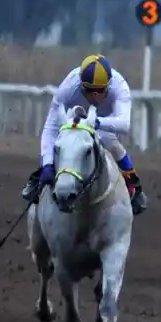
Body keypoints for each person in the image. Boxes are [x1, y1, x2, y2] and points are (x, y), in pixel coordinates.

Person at [21, 54, 149, 214]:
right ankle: (41, 177)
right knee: (66, 140)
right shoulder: (69, 85)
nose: (94, 97)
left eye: (99, 91)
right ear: (81, 86)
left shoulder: (119, 86)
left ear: (109, 87)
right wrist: (47, 163)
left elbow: (124, 125)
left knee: (107, 138)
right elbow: (50, 128)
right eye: (89, 91)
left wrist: (96, 123)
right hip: (75, 115)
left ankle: (133, 184)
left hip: (105, 118)